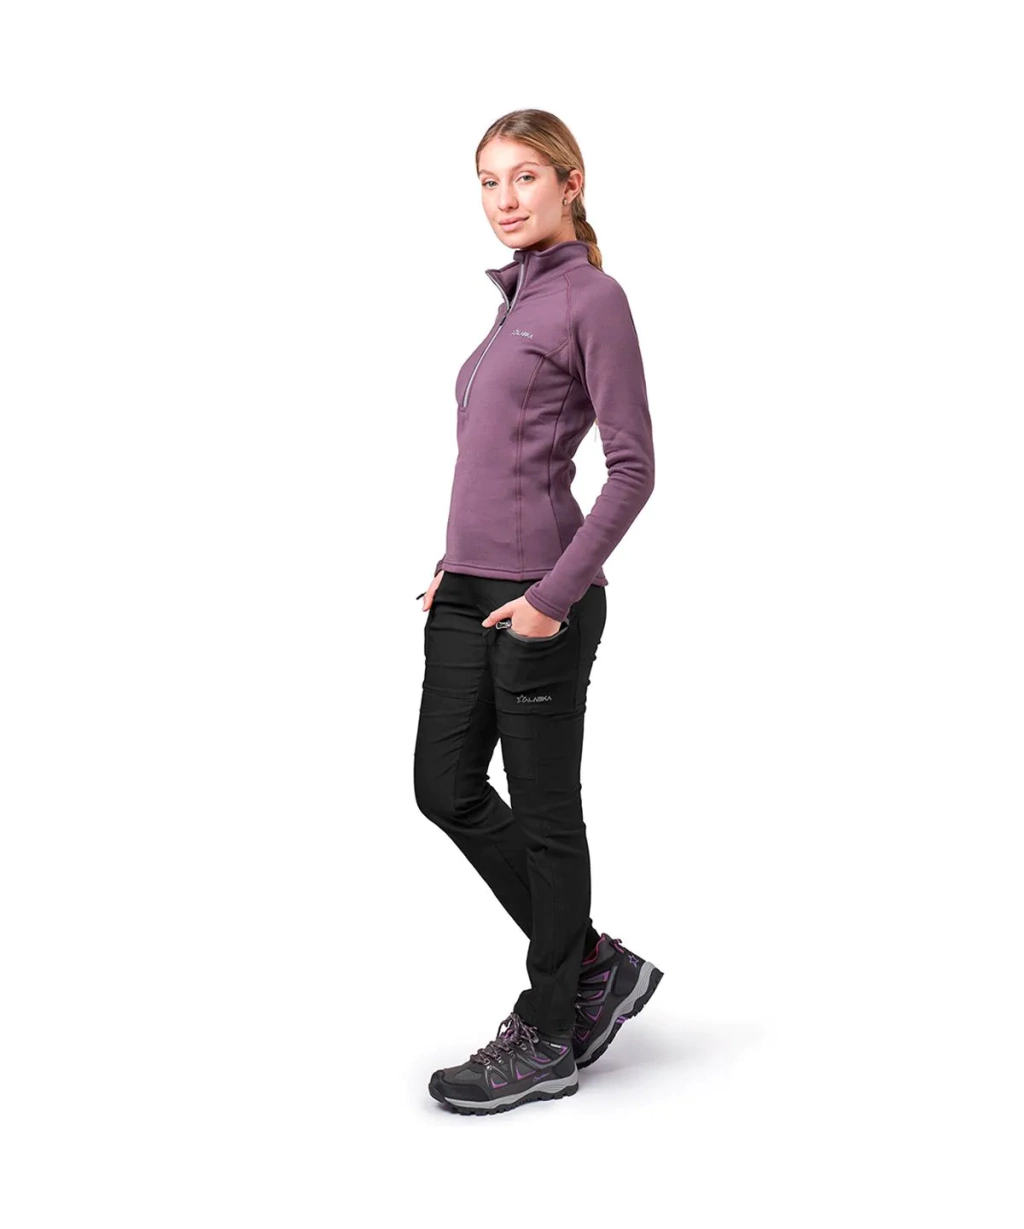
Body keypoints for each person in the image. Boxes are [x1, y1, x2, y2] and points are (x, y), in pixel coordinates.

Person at [414, 109, 663, 1115]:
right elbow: (499, 461)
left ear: (570, 182)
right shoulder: (513, 302)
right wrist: (451, 562)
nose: (504, 198)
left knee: (547, 814)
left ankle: (550, 1030)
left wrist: (550, 598)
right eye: (488, 180)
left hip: (540, 600)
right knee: (443, 786)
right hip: (466, 591)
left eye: (524, 176)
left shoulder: (592, 298)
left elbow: (633, 468)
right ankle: (594, 961)